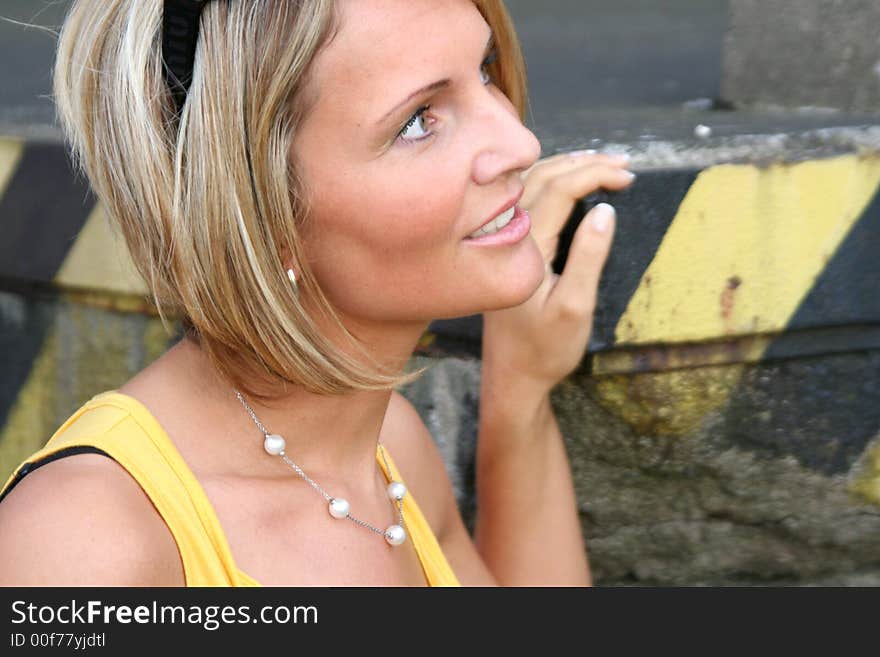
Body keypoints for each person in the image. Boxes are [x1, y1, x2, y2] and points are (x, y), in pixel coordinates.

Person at [0, 0, 634, 586]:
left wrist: (518, 390)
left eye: (487, 68)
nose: (521, 143)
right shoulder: (85, 542)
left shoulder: (390, 452)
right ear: (259, 215)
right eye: (419, 121)